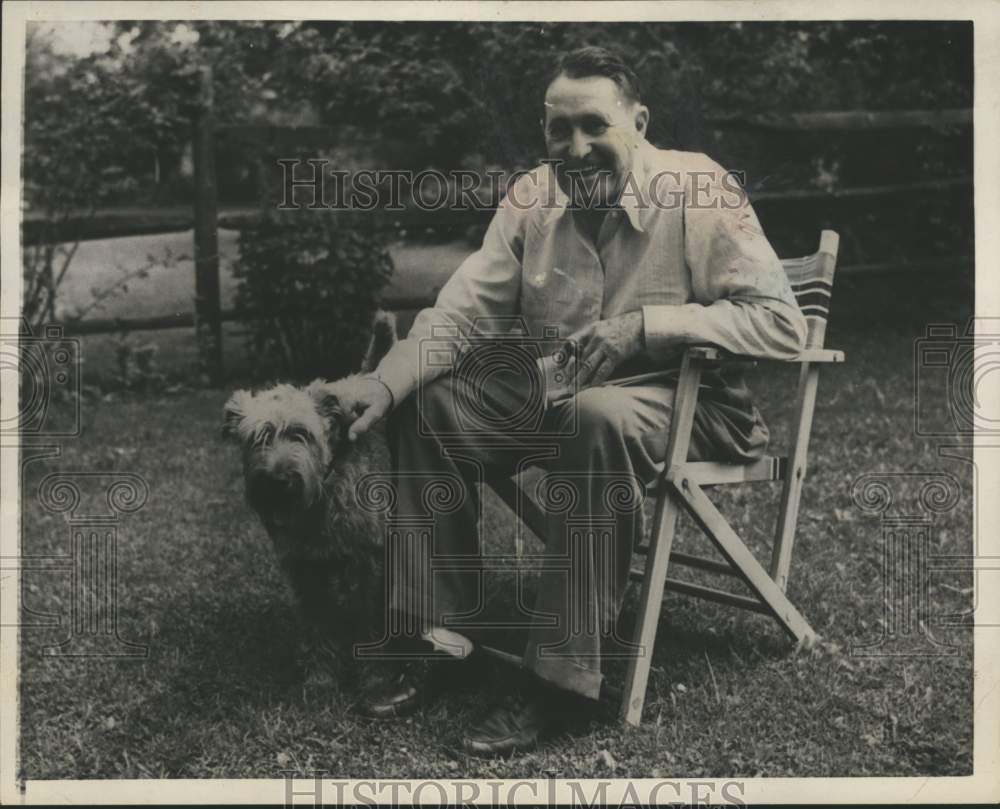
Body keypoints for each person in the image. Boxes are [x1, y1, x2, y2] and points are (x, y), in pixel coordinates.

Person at [345, 46, 807, 756]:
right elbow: (461, 316)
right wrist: (385, 380)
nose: (577, 147)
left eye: (595, 125)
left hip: (693, 403)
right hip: (568, 391)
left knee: (599, 416)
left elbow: (781, 322)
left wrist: (646, 327)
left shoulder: (698, 188)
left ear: (639, 121)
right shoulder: (534, 197)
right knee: (427, 403)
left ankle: (558, 682)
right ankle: (436, 635)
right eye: (560, 131)